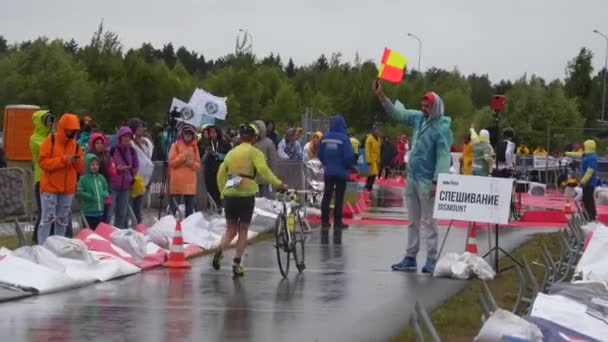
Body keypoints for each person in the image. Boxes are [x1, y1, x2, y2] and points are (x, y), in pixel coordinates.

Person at [374, 81, 453, 274]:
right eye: (423, 106)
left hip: (427, 181)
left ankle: (432, 258)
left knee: (430, 221)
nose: (424, 109)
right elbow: (398, 113)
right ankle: (410, 257)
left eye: (427, 107)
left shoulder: (442, 129)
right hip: (412, 177)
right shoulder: (418, 119)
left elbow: (444, 156)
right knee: (412, 220)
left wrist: (437, 181)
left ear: (436, 108)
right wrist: (381, 96)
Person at [213, 124, 287, 276]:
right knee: (243, 229)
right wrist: (278, 183)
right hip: (246, 192)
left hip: (231, 190)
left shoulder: (231, 152)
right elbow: (264, 171)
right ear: (253, 138)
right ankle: (237, 263)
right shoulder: (255, 152)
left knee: (230, 229)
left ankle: (219, 250)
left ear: (240, 137)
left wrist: (222, 193)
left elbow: (221, 173)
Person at [37, 113, 85, 244]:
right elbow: (42, 162)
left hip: (68, 189)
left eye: (74, 130)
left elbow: (80, 168)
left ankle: (60, 246)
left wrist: (78, 160)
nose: (72, 132)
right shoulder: (50, 140)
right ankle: (42, 247)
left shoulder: (75, 145)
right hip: (50, 187)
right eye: (69, 129)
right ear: (63, 127)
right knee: (47, 219)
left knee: (62, 220)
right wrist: (63, 160)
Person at [318, 115, 355, 230]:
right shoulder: (344, 139)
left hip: (328, 171)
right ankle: (338, 222)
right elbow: (348, 156)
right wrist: (349, 167)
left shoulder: (325, 137)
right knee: (339, 197)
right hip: (341, 172)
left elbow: (319, 153)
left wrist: (326, 163)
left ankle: (324, 221)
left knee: (327, 195)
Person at [29, 110, 54, 243]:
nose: (51, 123)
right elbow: (49, 150)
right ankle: (36, 241)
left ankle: (49, 239)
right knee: (44, 213)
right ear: (42, 122)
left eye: (52, 120)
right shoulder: (34, 138)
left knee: (51, 213)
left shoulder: (52, 137)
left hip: (53, 179)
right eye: (48, 120)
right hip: (41, 180)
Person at [109, 126, 139, 229]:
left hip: (125, 187)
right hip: (113, 186)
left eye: (129, 136)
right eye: (124, 136)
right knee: (109, 213)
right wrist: (117, 170)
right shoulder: (112, 150)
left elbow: (136, 166)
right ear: (120, 137)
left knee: (122, 213)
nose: (127, 138)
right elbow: (108, 166)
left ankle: (119, 234)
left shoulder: (132, 151)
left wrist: (130, 176)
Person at [168, 124, 201, 218]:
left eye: (190, 134)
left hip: (190, 183)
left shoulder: (195, 148)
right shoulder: (175, 146)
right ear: (182, 134)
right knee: (173, 208)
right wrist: (182, 157)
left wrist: (190, 163)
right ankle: (169, 226)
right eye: (186, 133)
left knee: (189, 209)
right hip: (177, 182)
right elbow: (171, 163)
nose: (188, 136)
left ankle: (188, 228)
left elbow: (198, 165)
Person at [200, 125, 231, 213]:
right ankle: (212, 206)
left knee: (220, 188)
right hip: (209, 170)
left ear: (218, 133)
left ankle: (222, 206)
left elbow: (229, 157)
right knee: (210, 188)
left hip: (221, 169)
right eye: (210, 133)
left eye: (214, 132)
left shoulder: (225, 144)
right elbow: (201, 160)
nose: (212, 134)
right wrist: (206, 154)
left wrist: (218, 155)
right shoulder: (204, 144)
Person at [129, 118, 154, 224]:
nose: (141, 129)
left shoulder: (146, 141)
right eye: (138, 127)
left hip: (145, 178)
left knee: (139, 205)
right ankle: (132, 224)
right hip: (135, 177)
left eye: (142, 127)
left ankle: (138, 223)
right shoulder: (131, 142)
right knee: (132, 203)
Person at [566, 140, 598, 221]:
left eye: (585, 146)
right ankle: (587, 213)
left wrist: (583, 181)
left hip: (589, 182)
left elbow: (589, 171)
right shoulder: (587, 155)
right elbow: (578, 154)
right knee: (585, 198)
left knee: (588, 199)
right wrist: (567, 153)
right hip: (586, 182)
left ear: (588, 146)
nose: (583, 147)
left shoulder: (592, 157)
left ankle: (591, 215)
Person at [88, 132, 116, 222]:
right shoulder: (88, 157)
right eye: (97, 143)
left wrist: (112, 168)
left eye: (101, 143)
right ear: (92, 144)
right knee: (93, 219)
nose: (100, 145)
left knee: (105, 217)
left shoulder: (107, 156)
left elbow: (112, 172)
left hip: (104, 190)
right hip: (92, 191)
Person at [77, 154, 110, 229]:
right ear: (87, 165)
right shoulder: (83, 179)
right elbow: (79, 192)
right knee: (89, 233)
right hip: (88, 212)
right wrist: (89, 196)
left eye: (97, 164)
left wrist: (104, 194)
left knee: (98, 232)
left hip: (100, 211)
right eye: (92, 164)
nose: (95, 166)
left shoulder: (101, 178)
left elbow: (106, 188)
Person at [253, 120, 279, 198]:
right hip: (253, 178)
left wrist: (273, 176)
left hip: (265, 177)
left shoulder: (269, 143)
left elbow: (273, 161)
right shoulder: (251, 142)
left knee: (266, 199)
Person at [364, 123, 381, 191]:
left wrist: (379, 160)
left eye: (379, 130)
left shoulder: (378, 139)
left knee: (373, 175)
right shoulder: (369, 139)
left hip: (376, 160)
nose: (378, 131)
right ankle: (368, 188)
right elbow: (367, 150)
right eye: (377, 130)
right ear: (373, 130)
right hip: (371, 160)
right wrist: (368, 160)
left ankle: (369, 188)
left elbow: (378, 150)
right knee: (371, 175)